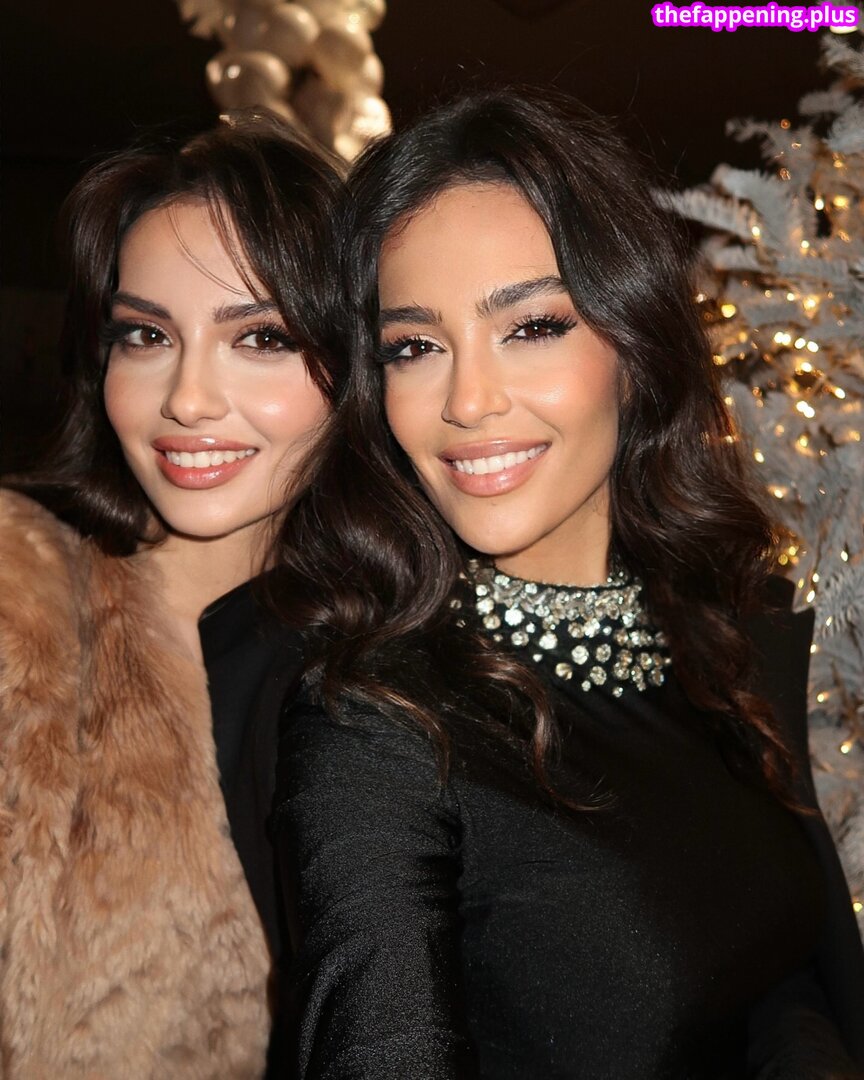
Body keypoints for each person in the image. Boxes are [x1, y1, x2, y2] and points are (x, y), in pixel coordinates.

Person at [272, 89, 864, 1077]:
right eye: (414, 347)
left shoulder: (722, 635)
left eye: (532, 327)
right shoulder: (377, 732)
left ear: (633, 346)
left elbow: (782, 976)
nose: (468, 402)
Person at [0, 112, 344, 1076]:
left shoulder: (390, 673)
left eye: (261, 337)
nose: (187, 398)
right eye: (146, 335)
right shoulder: (19, 600)